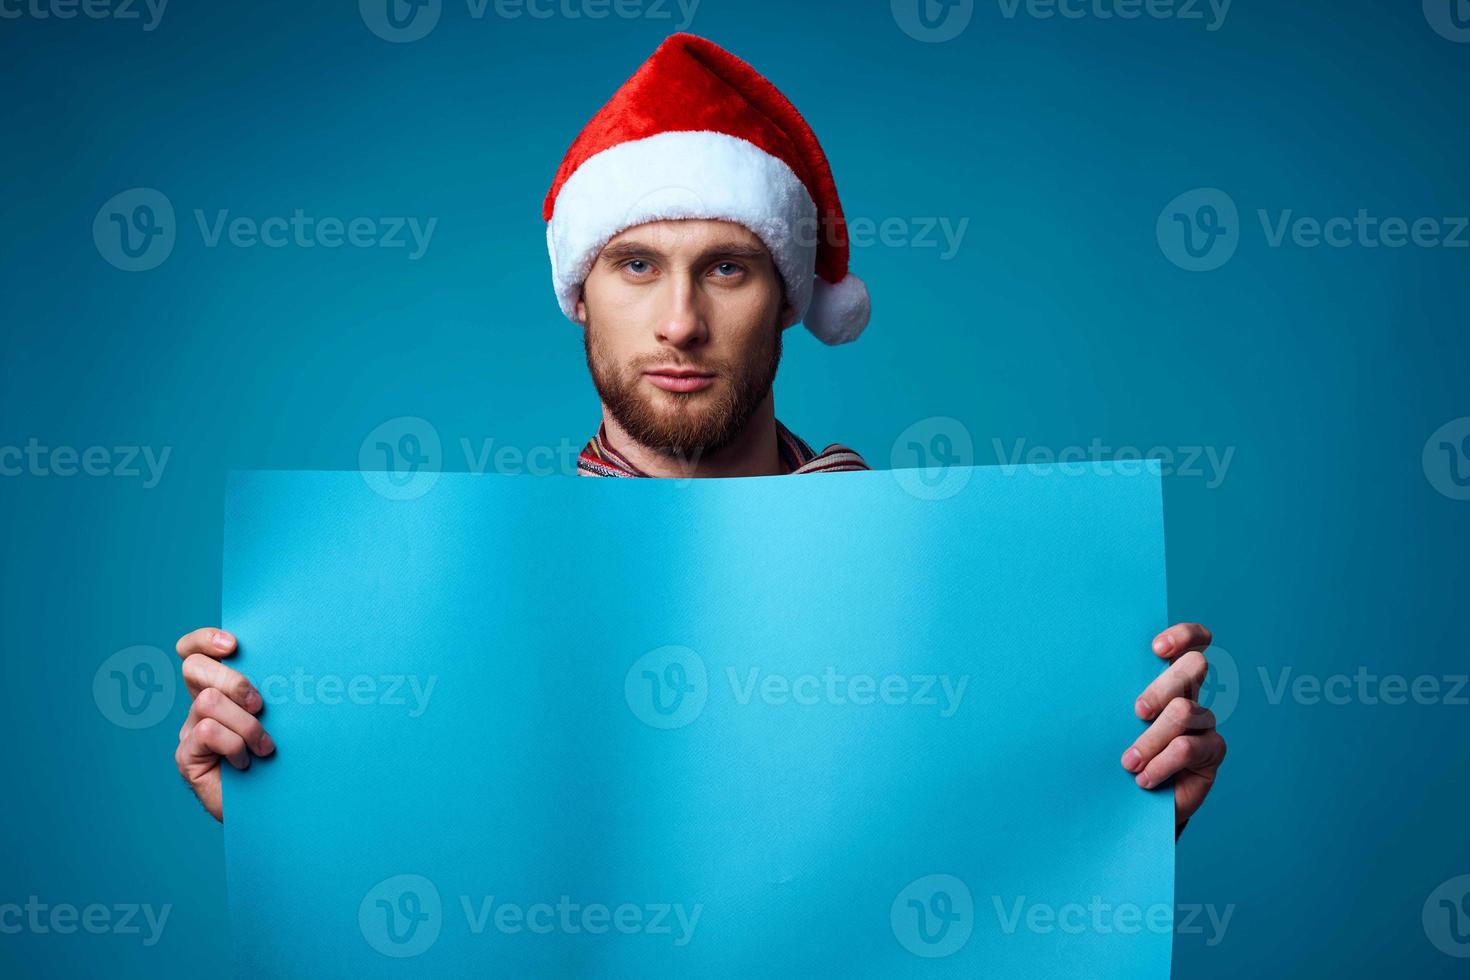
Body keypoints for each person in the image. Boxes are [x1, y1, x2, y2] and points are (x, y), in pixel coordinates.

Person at [174, 33, 1225, 838]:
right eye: (637, 265)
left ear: (786, 297)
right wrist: (281, 812)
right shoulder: (444, 610)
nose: (680, 320)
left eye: (727, 266)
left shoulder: (957, 599)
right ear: (580, 295)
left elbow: (948, 887)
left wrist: (1120, 821)